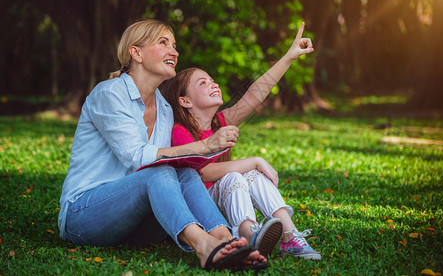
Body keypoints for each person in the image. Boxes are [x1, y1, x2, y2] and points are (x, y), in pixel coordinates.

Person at [57, 19, 268, 271]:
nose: (175, 52)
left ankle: (226, 240)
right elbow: (138, 157)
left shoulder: (166, 109)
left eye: (175, 45)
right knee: (158, 170)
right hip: (85, 217)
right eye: (163, 42)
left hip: (135, 225)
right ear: (136, 53)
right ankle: (204, 245)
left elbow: (176, 164)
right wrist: (203, 146)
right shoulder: (109, 93)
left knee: (184, 172)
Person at [160, 22, 322, 260]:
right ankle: (246, 235)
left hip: (224, 200)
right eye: (202, 83)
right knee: (237, 174)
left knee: (253, 175)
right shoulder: (181, 131)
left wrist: (289, 57)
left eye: (212, 80)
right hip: (203, 211)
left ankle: (290, 236)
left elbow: (256, 94)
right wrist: (255, 160)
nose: (213, 84)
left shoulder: (221, 121)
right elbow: (203, 174)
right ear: (184, 101)